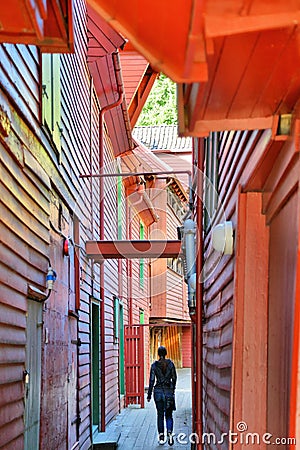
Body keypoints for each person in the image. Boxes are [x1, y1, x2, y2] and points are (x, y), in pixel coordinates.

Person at [147, 346, 177, 446]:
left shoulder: (154, 365)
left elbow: (151, 380)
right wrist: (172, 389)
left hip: (158, 392)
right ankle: (169, 432)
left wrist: (149, 394)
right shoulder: (171, 364)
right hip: (168, 392)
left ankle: (161, 437)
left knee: (160, 414)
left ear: (158, 354)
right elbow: (174, 377)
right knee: (169, 415)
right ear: (166, 353)